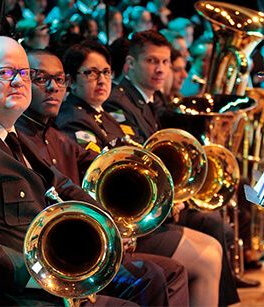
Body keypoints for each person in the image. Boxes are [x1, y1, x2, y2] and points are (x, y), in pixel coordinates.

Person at [0, 36, 175, 306]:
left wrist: (112, 227)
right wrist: (50, 278)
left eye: (24, 73)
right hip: (18, 290)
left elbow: (63, 185)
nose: (18, 81)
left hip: (53, 269)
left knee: (148, 278)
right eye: (4, 72)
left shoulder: (11, 133)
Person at [55, 39, 223, 307]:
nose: (101, 80)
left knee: (212, 249)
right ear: (72, 81)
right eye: (90, 72)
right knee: (207, 257)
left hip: (133, 220)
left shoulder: (100, 115)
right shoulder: (73, 118)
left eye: (106, 72)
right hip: (117, 226)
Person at [16, 48, 190, 306]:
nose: (53, 87)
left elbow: (97, 167)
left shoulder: (57, 136)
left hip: (86, 242)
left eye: (58, 79)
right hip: (62, 255)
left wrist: (123, 217)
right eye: (40, 78)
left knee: (170, 271)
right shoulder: (28, 136)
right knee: (151, 275)